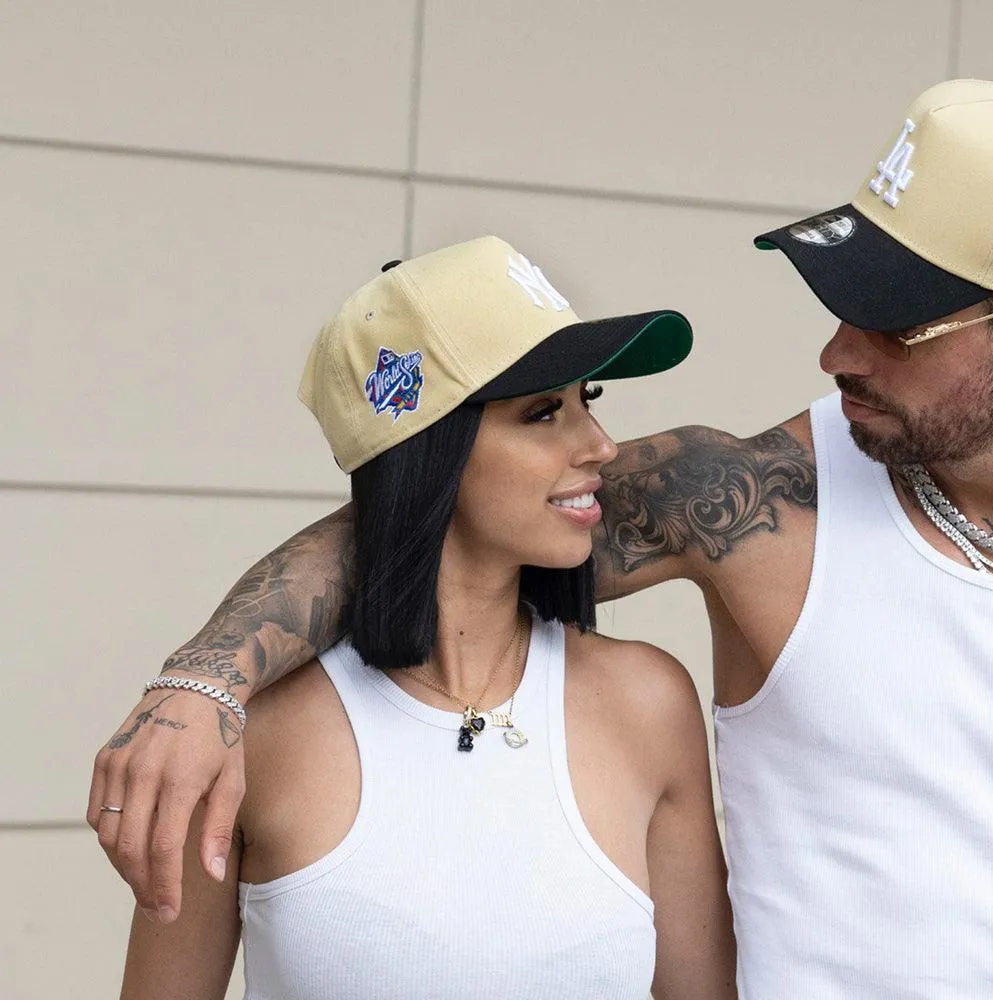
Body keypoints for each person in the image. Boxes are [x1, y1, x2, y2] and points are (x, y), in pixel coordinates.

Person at [92, 78, 993, 997]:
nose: (837, 353)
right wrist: (202, 683)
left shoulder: (639, 702)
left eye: (900, 322)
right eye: (541, 411)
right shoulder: (765, 500)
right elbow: (424, 534)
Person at [114, 236, 736, 999]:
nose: (601, 447)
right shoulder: (250, 732)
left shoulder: (647, 703)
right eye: (544, 412)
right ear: (429, 452)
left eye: (589, 402)